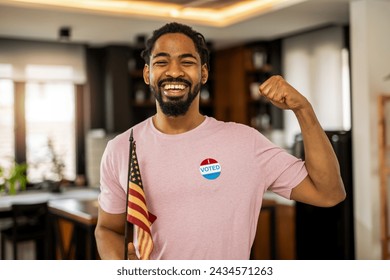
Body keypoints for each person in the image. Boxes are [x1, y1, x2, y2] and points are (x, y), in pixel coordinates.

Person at [95, 22, 346, 260]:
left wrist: (304, 109)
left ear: (203, 73)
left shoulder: (245, 142)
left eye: (187, 61)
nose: (174, 71)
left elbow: (328, 193)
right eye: (162, 62)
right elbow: (107, 229)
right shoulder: (120, 148)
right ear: (148, 74)